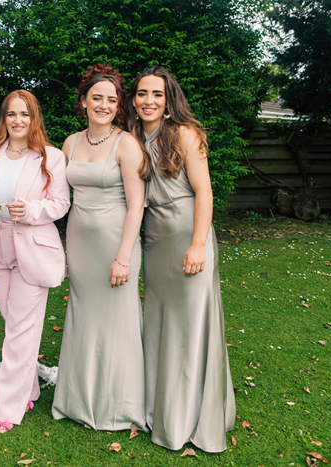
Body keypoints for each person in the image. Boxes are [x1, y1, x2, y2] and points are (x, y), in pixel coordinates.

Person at [125, 66, 235, 452]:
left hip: (188, 234)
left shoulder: (187, 134)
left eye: (156, 94)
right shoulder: (133, 136)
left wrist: (199, 244)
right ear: (134, 100)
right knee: (158, 325)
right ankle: (161, 407)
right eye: (141, 94)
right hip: (155, 238)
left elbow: (204, 192)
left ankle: (192, 417)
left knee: (190, 328)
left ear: (169, 99)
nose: (148, 101)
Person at [51, 65, 148, 431]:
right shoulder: (70, 143)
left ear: (118, 106)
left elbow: (137, 204)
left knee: (116, 321)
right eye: (97, 98)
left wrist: (124, 256)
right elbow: (58, 197)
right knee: (83, 317)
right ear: (84, 102)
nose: (104, 105)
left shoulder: (127, 144)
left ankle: (118, 406)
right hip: (79, 240)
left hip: (115, 242)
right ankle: (76, 400)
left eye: (111, 99)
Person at [0, 90, 70, 433]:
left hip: (32, 248)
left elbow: (61, 202)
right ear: (3, 118)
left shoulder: (51, 157)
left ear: (35, 119)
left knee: (19, 331)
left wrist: (31, 210)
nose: (18, 120)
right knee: (13, 324)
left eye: (25, 114)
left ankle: (8, 408)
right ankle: (30, 386)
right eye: (11, 114)